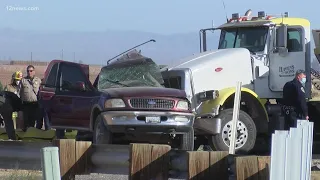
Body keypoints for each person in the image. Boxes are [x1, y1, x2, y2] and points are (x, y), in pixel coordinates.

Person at [19, 65, 42, 132]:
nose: (29, 72)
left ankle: (31, 134)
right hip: (26, 104)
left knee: (32, 121)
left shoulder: (38, 80)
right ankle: (25, 134)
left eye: (31, 71)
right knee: (26, 121)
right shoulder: (23, 80)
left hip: (35, 104)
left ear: (34, 71)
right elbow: (19, 92)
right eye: (28, 71)